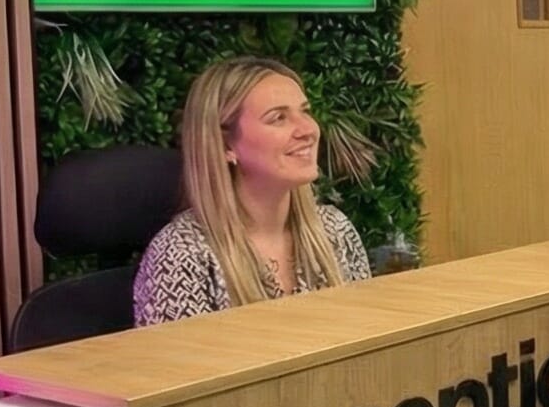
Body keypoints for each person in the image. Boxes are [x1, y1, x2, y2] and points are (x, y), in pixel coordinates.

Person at [132, 56, 372, 327]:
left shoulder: (335, 231)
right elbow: (179, 356)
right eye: (278, 118)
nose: (308, 130)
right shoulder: (181, 255)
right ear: (225, 145)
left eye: (305, 111)